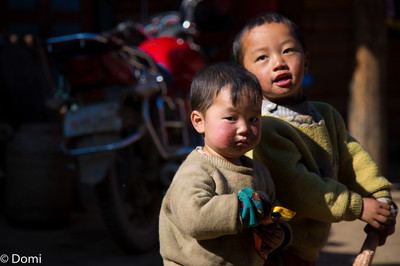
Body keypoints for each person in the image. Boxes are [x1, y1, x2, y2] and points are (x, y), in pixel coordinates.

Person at [233, 12, 398, 265]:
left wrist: (379, 194)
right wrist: (358, 206)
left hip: (305, 246)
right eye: (263, 57)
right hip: (272, 247)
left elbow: (353, 159)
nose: (279, 62)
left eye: (288, 51)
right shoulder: (263, 127)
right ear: (246, 78)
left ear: (306, 61)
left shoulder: (326, 115)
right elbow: (300, 187)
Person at [159, 62, 292, 265]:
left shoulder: (260, 172)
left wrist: (279, 234)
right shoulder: (196, 171)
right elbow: (194, 218)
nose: (244, 128)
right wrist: (238, 209)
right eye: (231, 117)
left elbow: (272, 209)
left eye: (254, 118)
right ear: (199, 121)